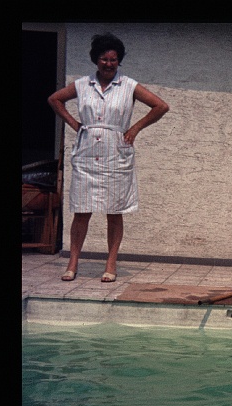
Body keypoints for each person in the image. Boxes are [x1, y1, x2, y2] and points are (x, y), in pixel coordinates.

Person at [48, 32, 169, 283]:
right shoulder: (83, 84)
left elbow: (160, 106)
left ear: (119, 61)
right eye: (104, 59)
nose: (109, 63)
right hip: (86, 152)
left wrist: (134, 128)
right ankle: (72, 263)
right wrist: (73, 123)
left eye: (114, 59)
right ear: (96, 60)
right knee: (82, 210)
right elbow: (55, 99)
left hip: (116, 152)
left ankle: (111, 264)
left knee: (115, 211)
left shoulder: (129, 86)